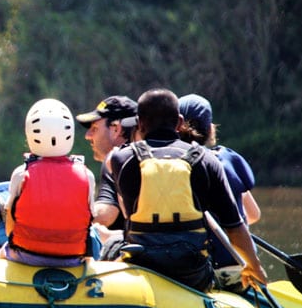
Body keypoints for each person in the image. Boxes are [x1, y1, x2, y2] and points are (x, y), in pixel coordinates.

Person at [100, 88, 267, 292]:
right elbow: (234, 225)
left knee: (112, 245)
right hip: (192, 273)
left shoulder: (122, 159)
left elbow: (129, 215)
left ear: (140, 123)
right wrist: (254, 266)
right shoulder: (206, 160)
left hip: (141, 265)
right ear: (179, 122)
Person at [0, 99, 97, 267]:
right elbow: (90, 221)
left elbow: (10, 228)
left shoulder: (21, 174)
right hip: (72, 259)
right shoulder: (87, 176)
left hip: (24, 255)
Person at [177, 93, 260, 225]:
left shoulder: (170, 165)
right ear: (210, 129)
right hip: (228, 241)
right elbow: (253, 215)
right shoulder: (225, 160)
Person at [76, 95, 137, 255]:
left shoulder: (116, 159)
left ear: (116, 129)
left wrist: (61, 216)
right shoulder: (148, 155)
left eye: (94, 128)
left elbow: (105, 215)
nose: (88, 135)